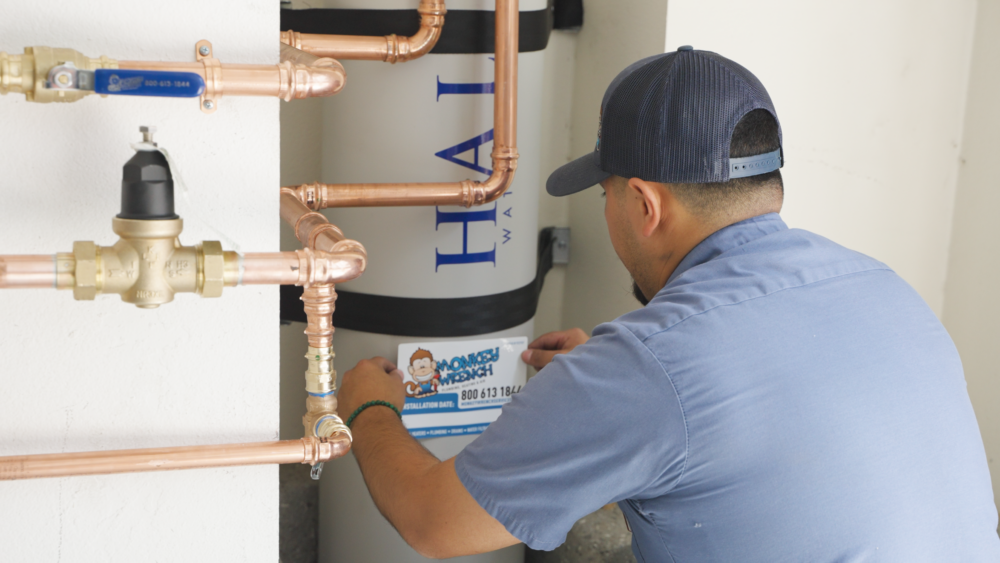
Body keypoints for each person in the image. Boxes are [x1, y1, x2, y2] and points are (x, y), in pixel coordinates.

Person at [335, 47, 1000, 561]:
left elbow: (431, 521)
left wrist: (369, 408)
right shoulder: (885, 287)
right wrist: (607, 384)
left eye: (604, 192)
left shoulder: (649, 366)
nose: (604, 211)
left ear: (645, 204)